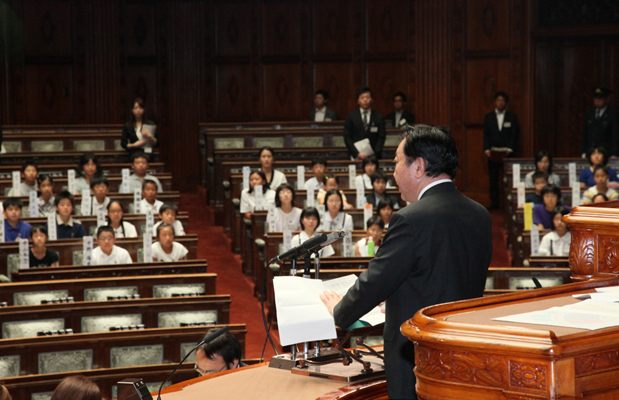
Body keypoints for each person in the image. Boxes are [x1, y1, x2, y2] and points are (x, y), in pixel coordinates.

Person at [320, 124, 493, 400]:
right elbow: (446, 278)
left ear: (418, 166)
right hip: (464, 354)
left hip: (417, 357)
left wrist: (339, 311)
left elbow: (375, 280)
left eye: (397, 162)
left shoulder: (410, 219)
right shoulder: (480, 214)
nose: (393, 172)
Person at [483, 91, 519, 209]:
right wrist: (487, 149)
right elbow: (486, 135)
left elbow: (514, 134)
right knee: (493, 179)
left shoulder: (511, 117)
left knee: (508, 179)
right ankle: (494, 202)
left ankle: (508, 203)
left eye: (502, 101)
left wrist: (510, 149)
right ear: (495, 102)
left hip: (507, 154)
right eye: (498, 100)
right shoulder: (489, 117)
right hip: (493, 153)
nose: (500, 103)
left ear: (506, 103)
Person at [343, 87, 386, 160]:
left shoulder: (378, 117)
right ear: (358, 101)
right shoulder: (351, 116)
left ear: (372, 100)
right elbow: (347, 137)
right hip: (356, 155)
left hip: (373, 156)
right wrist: (357, 153)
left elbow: (381, 137)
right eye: (362, 98)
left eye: (367, 97)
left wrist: (374, 153)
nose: (365, 100)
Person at [581, 86, 619, 157]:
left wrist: (614, 154)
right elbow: (585, 134)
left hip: (606, 153)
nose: (597, 100)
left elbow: (615, 136)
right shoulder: (590, 113)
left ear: (607, 99)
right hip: (591, 152)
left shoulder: (613, 114)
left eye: (600, 98)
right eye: (596, 98)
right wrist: (584, 151)